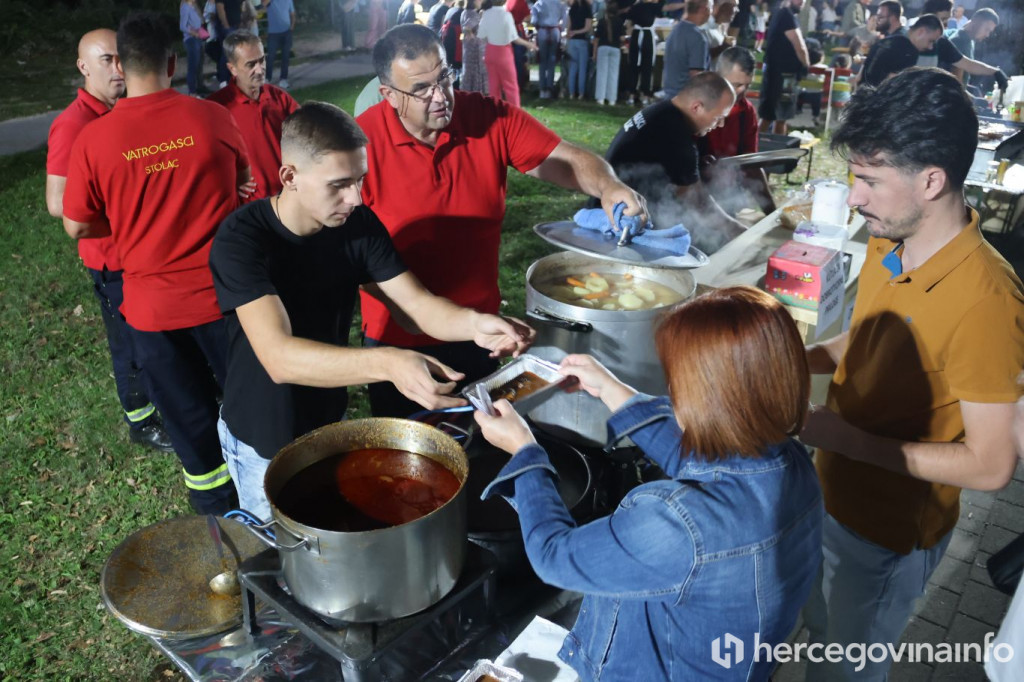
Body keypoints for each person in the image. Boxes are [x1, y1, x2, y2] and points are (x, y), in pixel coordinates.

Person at [473, 286, 823, 682]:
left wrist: (524, 452)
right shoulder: (791, 462)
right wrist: (612, 391)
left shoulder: (681, 523)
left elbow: (556, 557)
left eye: (676, 380)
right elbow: (707, 459)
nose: (672, 391)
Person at [799, 67, 1024, 681]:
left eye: (868, 179)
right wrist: (801, 361)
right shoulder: (890, 236)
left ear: (932, 180)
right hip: (831, 493)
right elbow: (867, 338)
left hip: (885, 534)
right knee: (821, 634)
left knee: (847, 666)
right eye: (853, 175)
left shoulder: (988, 302)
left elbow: (991, 463)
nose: (853, 196)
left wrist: (841, 438)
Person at [209, 102, 534, 519]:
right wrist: (390, 362)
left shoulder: (356, 225)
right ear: (289, 177)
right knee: (279, 560)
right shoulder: (243, 240)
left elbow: (415, 306)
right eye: (340, 184)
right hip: (262, 436)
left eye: (360, 180)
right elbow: (279, 357)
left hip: (329, 421)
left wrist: (476, 323)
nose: (356, 198)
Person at [358, 24, 645, 418]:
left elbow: (566, 159)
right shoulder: (360, 147)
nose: (441, 96)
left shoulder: (487, 117)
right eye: (422, 88)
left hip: (484, 331)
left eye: (445, 77)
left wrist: (608, 186)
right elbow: (345, 254)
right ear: (388, 95)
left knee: (482, 446)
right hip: (399, 338)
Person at [61, 11, 253, 515]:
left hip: (150, 312)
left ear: (121, 65)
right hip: (225, 301)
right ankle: (264, 501)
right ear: (172, 61)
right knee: (249, 408)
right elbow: (242, 179)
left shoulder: (95, 140)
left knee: (188, 421)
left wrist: (127, 217)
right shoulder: (212, 117)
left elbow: (77, 225)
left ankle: (217, 521)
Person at [45, 28, 173, 455]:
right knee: (128, 342)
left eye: (121, 59)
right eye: (106, 60)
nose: (118, 68)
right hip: (112, 258)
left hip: (146, 251)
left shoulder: (125, 112)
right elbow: (58, 203)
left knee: (154, 334)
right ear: (83, 67)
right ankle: (141, 419)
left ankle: (170, 398)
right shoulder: (74, 124)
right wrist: (127, 216)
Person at [605, 71, 745, 252]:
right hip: (617, 227)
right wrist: (741, 232)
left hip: (610, 208)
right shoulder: (677, 137)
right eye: (718, 118)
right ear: (697, 107)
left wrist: (694, 167)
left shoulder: (661, 111)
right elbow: (698, 202)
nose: (720, 125)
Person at [209, 31, 299, 201]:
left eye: (262, 60)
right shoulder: (216, 108)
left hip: (290, 199)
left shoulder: (280, 98)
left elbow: (308, 137)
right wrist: (227, 182)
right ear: (232, 68)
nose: (260, 69)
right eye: (251, 64)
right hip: (252, 206)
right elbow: (205, 160)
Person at [861, 13, 1007, 91]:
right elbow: (881, 79)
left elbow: (966, 64)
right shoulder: (895, 44)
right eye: (930, 41)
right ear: (921, 32)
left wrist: (995, 72)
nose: (932, 47)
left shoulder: (939, 42)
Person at [758, 0, 809, 134]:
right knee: (778, 116)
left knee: (771, 116)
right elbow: (800, 47)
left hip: (775, 72)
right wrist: (806, 65)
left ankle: (755, 147)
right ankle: (773, 150)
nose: (802, 2)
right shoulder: (787, 15)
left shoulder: (780, 13)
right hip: (783, 76)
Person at [477, 0, 538, 106]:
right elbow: (514, 38)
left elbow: (481, 35)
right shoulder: (506, 15)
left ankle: (495, 112)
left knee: (493, 86)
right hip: (503, 53)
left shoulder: (486, 13)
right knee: (511, 86)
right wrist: (530, 45)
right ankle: (515, 112)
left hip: (490, 51)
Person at [662, 0, 712, 100]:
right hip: (686, 100)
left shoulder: (675, 30)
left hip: (669, 96)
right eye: (710, 8)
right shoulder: (697, 37)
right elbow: (696, 75)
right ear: (703, 9)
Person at [624, 0, 663, 105]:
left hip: (636, 36)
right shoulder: (653, 6)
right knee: (647, 66)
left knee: (634, 66)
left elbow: (628, 23)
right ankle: (645, 95)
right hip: (647, 36)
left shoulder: (635, 6)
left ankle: (632, 94)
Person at [947, 7, 999, 85]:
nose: (987, 35)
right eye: (986, 29)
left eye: (989, 31)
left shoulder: (970, 41)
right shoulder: (960, 41)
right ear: (976, 20)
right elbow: (956, 83)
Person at [530, 0, 567, 99]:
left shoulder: (538, 3)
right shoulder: (559, 3)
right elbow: (565, 18)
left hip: (542, 31)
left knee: (542, 61)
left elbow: (533, 21)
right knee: (552, 60)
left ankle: (542, 89)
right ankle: (550, 88)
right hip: (555, 31)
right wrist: (561, 29)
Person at [593, 0, 625, 105]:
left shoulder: (602, 21)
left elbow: (596, 39)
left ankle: (600, 98)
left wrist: (594, 53)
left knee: (602, 73)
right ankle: (612, 99)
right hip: (615, 48)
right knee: (613, 74)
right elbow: (622, 38)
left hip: (603, 47)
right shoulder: (620, 21)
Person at [565, 0, 593, 99]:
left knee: (572, 68)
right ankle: (581, 93)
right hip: (582, 40)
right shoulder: (587, 8)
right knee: (582, 68)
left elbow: (568, 25)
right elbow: (588, 27)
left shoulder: (573, 8)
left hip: (572, 41)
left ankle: (571, 93)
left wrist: (570, 33)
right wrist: (577, 32)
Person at [264, 0, 295, 87]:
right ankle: (267, 78)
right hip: (273, 33)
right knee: (271, 57)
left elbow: (292, 13)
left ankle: (283, 79)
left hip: (287, 32)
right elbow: (263, 4)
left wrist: (292, 26)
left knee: (285, 57)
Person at [180, 0, 207, 96]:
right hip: (191, 39)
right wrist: (194, 33)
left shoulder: (192, 6)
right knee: (193, 66)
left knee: (199, 65)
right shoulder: (185, 7)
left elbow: (201, 20)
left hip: (198, 38)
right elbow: (182, 26)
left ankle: (199, 88)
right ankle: (192, 92)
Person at [461, 0, 489, 93]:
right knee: (475, 75)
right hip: (475, 52)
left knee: (469, 76)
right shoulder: (471, 14)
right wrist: (472, 36)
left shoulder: (466, 12)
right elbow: (467, 28)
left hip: (470, 51)